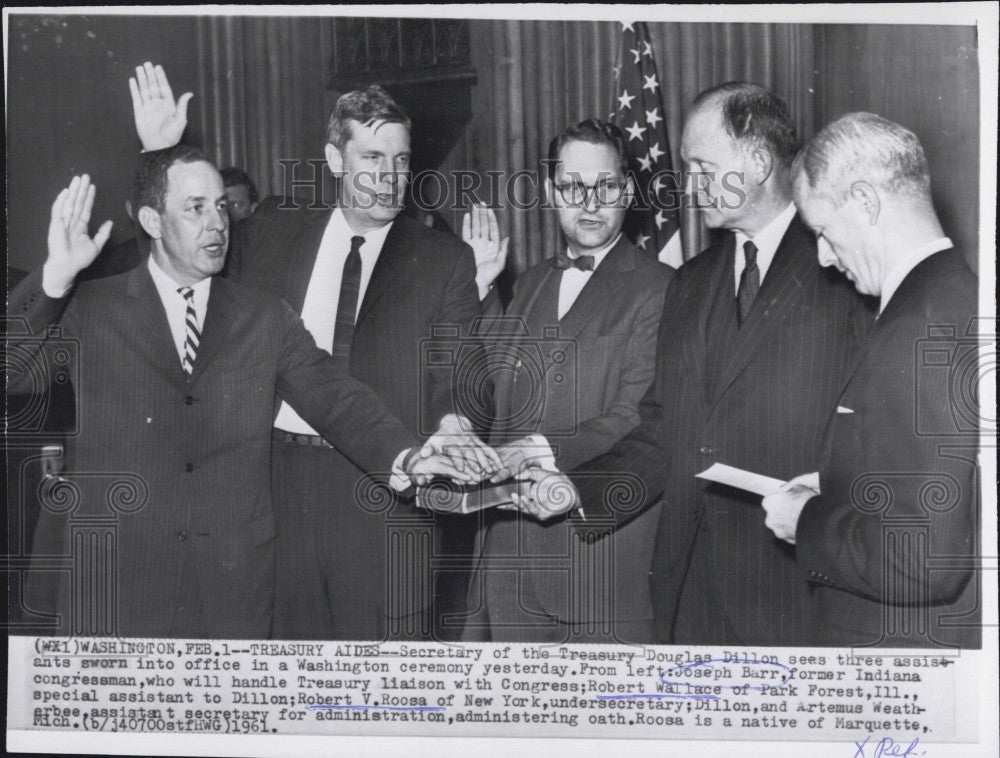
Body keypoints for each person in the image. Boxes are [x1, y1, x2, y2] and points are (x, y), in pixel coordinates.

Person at [8, 154, 483, 639]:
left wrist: (407, 454)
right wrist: (54, 279)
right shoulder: (92, 308)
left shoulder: (262, 317)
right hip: (120, 591)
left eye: (220, 206)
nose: (217, 223)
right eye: (195, 208)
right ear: (152, 220)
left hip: (232, 594)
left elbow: (334, 396)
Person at [130, 62, 504, 641]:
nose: (390, 177)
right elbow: (182, 259)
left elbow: (461, 365)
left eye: (401, 161)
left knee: (386, 694)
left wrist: (456, 420)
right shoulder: (273, 230)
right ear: (335, 160)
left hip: (385, 501)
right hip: (277, 491)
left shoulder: (441, 260)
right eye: (372, 160)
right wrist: (164, 153)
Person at [511, 82, 874, 646]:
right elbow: (663, 432)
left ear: (756, 162)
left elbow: (869, 439)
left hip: (796, 591)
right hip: (689, 590)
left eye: (703, 165)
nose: (690, 184)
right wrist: (580, 491)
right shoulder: (691, 282)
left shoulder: (843, 272)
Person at [761, 112, 980, 648]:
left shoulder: (916, 328)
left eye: (823, 232)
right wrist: (839, 486)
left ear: (864, 202)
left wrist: (806, 520)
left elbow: (925, 558)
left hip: (898, 653)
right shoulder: (957, 297)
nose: (823, 257)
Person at [462, 119, 673, 643]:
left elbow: (637, 414)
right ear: (553, 193)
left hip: (596, 565)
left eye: (605, 186)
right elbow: (494, 391)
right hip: (511, 565)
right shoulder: (533, 280)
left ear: (626, 190)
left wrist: (540, 449)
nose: (590, 202)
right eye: (573, 187)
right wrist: (483, 291)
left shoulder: (662, 287)